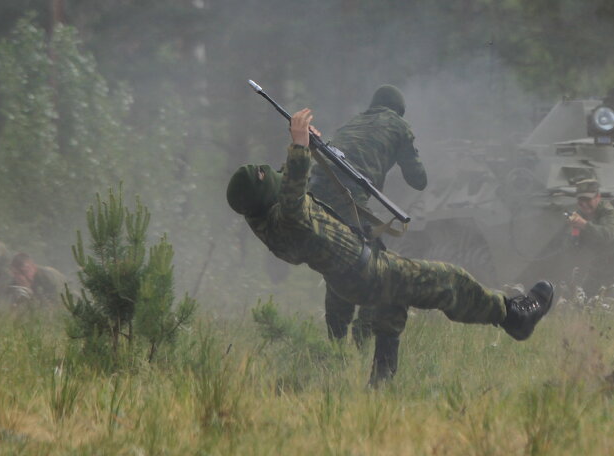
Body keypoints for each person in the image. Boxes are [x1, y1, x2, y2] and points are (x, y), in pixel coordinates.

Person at [228, 108, 553, 385]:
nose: (274, 172)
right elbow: (294, 189)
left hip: (354, 276)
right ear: (264, 193)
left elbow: (288, 182)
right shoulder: (288, 216)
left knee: (391, 306)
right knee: (449, 280)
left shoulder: (269, 218)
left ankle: (381, 381)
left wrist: (310, 146)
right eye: (264, 175)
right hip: (365, 272)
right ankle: (513, 317)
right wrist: (298, 143)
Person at [308, 85, 427, 351]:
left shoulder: (354, 122)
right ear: (399, 111)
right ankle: (361, 340)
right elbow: (418, 180)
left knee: (339, 261)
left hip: (315, 190)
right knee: (374, 267)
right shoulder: (399, 125)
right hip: (347, 195)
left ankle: (336, 344)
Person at [567, 178, 614, 297]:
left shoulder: (609, 213)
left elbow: (606, 235)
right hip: (599, 265)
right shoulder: (580, 215)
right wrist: (574, 233)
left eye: (588, 199)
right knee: (583, 301)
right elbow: (575, 246)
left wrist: (584, 225)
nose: (584, 204)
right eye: (581, 200)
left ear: (597, 197)